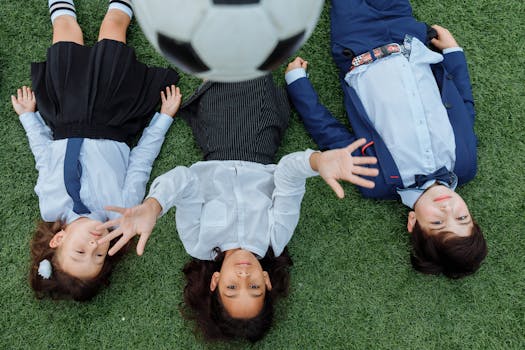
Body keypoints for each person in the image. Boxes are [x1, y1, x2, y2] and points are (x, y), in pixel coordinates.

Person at [96, 74, 379, 342]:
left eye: (232, 288)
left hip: (215, 143)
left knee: (225, 67)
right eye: (254, 288)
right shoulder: (275, 238)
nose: (244, 277)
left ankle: (215, 80)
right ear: (267, 281)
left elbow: (186, 181)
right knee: (250, 62)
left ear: (215, 281)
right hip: (259, 139)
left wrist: (153, 206)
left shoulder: (198, 243)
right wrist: (318, 162)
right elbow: (287, 177)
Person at [285, 0, 487, 278]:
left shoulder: (377, 183)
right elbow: (465, 106)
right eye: (462, 217)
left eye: (438, 221)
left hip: (358, 46)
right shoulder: (465, 165)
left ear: (413, 222)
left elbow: (330, 134)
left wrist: (298, 85)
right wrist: (453, 52)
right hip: (408, 36)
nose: (448, 207)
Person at [11, 0, 180, 301]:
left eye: (79, 252)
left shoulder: (51, 206)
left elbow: (44, 157)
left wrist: (28, 117)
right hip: (110, 116)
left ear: (59, 239)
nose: (94, 245)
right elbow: (142, 160)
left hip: (66, 115)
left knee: (64, 32)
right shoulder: (122, 208)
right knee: (113, 29)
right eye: (99, 256)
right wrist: (163, 118)